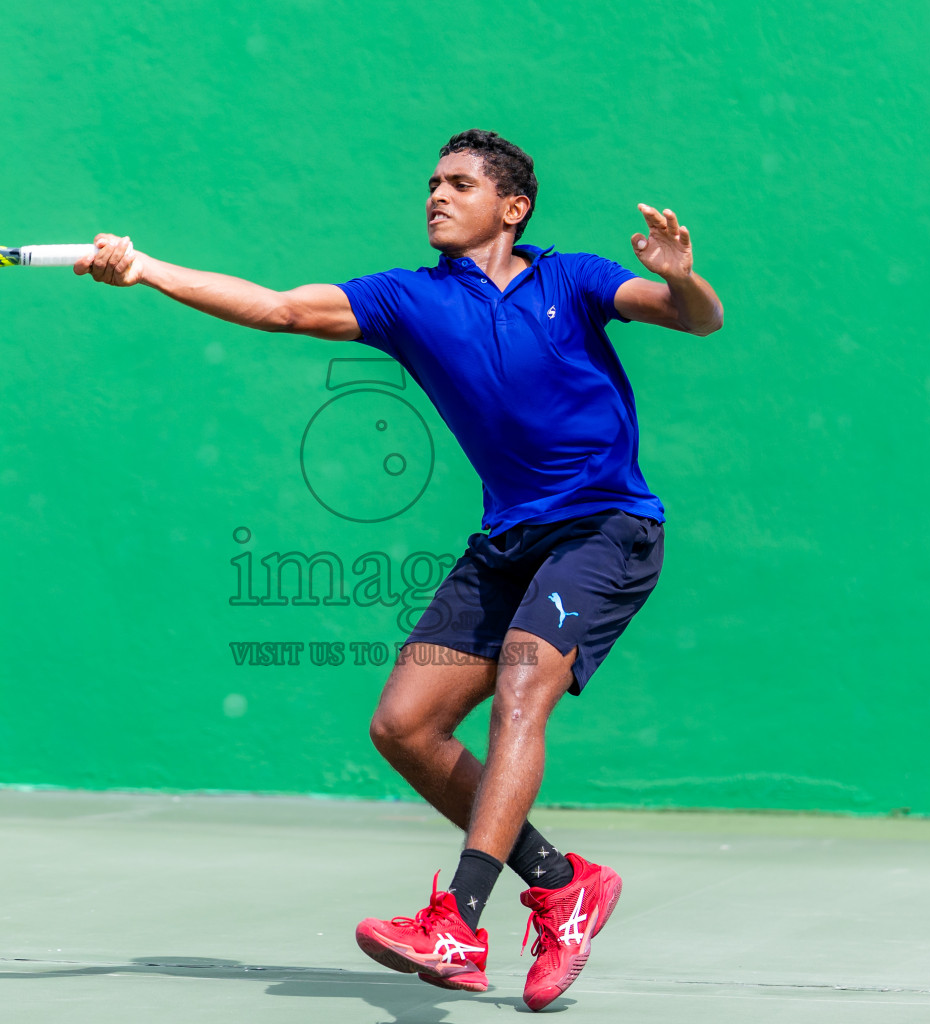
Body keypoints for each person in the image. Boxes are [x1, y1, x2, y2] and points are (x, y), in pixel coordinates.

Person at [76, 129, 723, 1010]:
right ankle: (564, 882)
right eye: (432, 182)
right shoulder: (408, 300)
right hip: (508, 538)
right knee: (404, 727)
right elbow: (276, 308)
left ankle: (458, 919)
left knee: (524, 687)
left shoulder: (572, 279)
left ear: (512, 207)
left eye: (459, 184)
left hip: (605, 528)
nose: (436, 195)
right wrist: (147, 267)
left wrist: (680, 272)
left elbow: (696, 316)